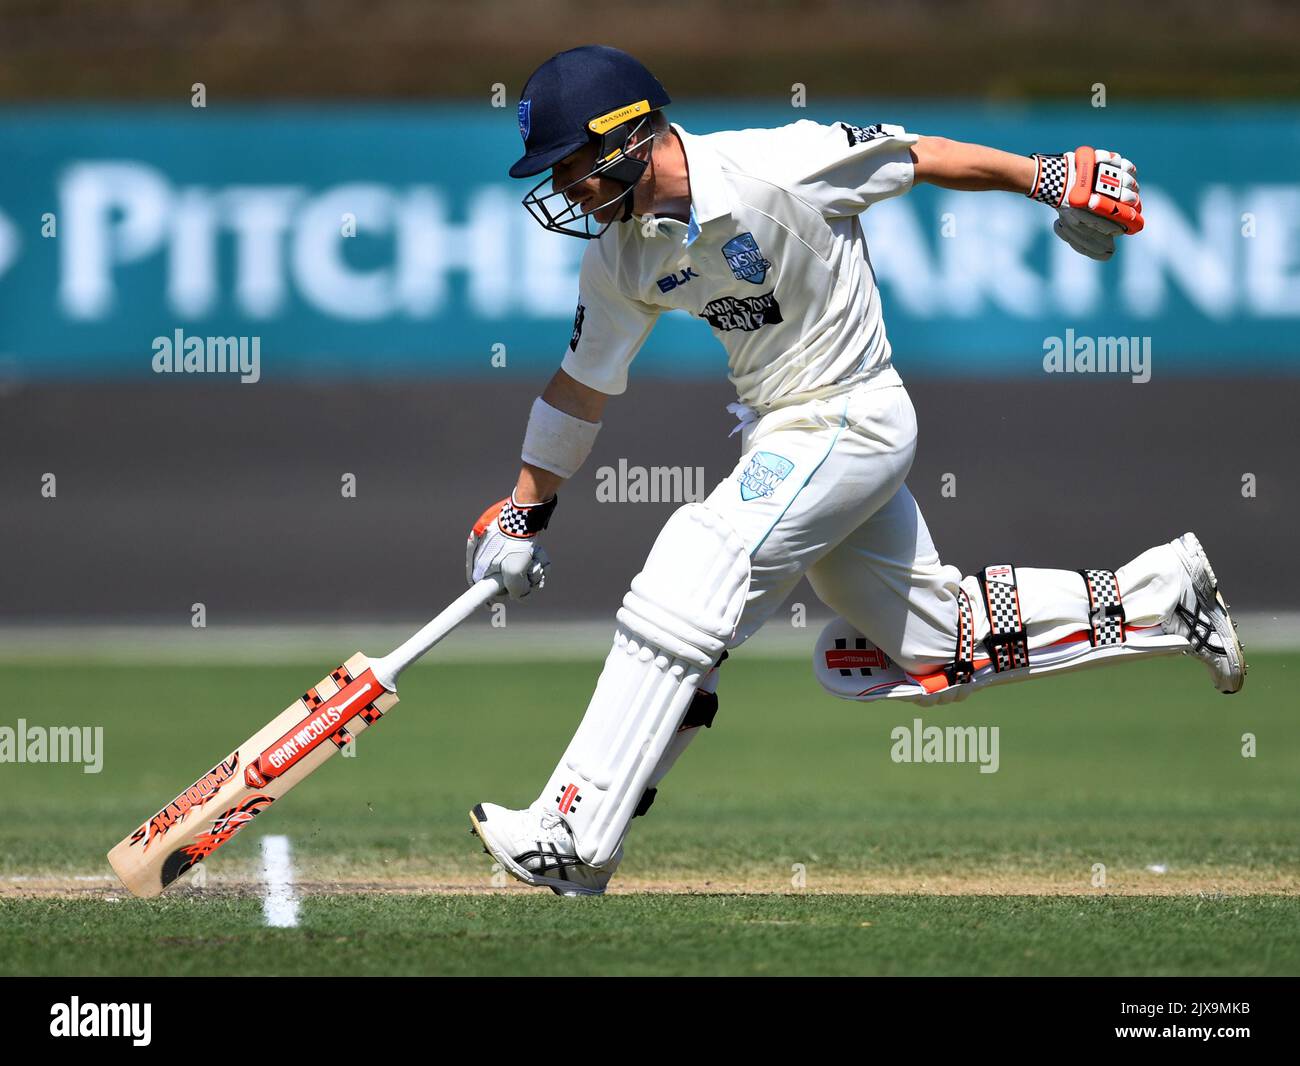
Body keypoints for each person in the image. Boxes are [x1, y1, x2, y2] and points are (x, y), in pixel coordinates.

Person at [464, 45, 1245, 896]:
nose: (563, 187)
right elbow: (580, 385)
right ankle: (1165, 597)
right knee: (936, 642)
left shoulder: (780, 164)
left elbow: (918, 156)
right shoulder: (620, 254)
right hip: (782, 433)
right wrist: (523, 510)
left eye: (569, 163)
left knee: (698, 556)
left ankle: (575, 831)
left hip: (853, 414)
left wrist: (1048, 174)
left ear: (625, 137)